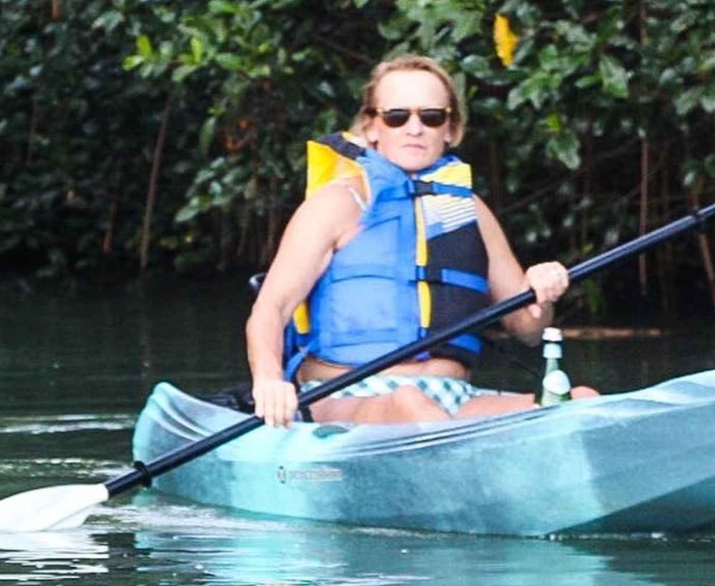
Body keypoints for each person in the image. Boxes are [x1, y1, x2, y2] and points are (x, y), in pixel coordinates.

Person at [247, 54, 596, 427]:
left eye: (431, 117)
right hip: (344, 399)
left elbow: (528, 329)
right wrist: (268, 379)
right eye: (397, 116)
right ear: (372, 127)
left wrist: (542, 289)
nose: (415, 128)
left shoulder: (468, 211)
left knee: (582, 402)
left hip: (453, 401)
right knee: (409, 404)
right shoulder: (336, 204)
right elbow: (271, 309)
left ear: (450, 130)